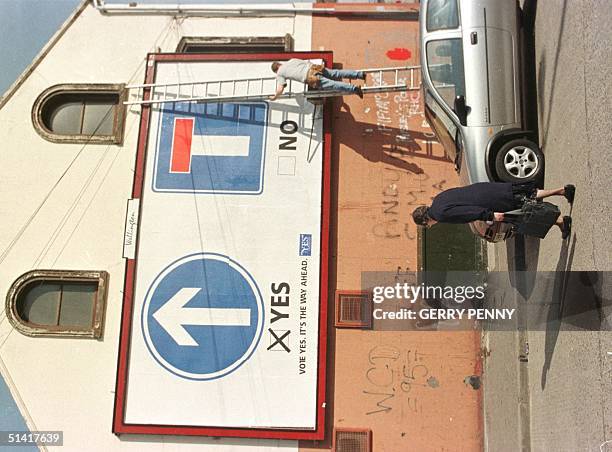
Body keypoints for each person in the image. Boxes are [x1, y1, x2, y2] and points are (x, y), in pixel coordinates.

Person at [411, 182, 575, 239]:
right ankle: (562, 191)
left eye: (427, 226)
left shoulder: (440, 214)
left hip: (489, 203)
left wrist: (489, 215)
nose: (431, 226)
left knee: (526, 214)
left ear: (426, 220)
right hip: (487, 191)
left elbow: (466, 212)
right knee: (526, 195)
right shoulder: (438, 199)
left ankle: (560, 221)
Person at [269, 59, 365, 101]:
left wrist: (275, 96)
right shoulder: (291, 60)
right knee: (336, 73)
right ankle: (359, 74)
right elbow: (306, 62)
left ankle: (355, 88)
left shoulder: (280, 73)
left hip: (310, 77)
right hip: (314, 67)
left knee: (333, 84)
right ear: (279, 63)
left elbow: (280, 89)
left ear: (276, 70)